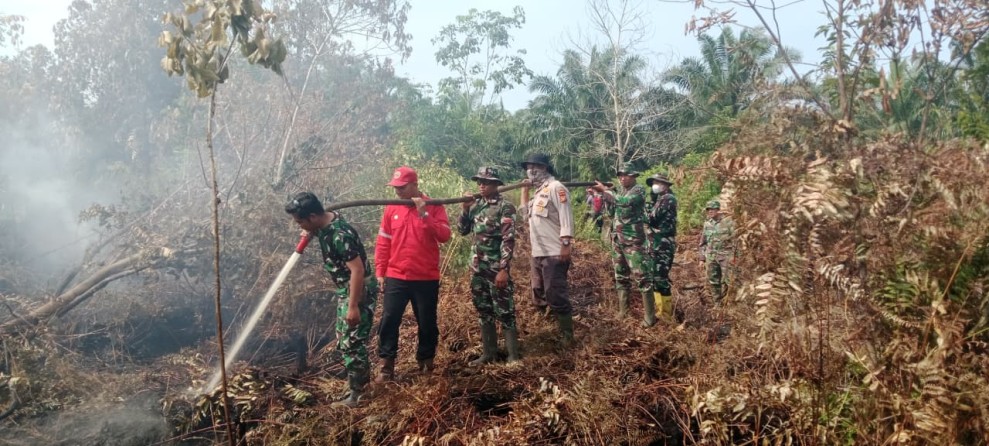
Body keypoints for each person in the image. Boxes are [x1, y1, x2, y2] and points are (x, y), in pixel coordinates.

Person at [285, 192, 376, 408]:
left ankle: (360, 395)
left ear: (314, 216)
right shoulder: (325, 224)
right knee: (344, 340)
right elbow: (323, 226)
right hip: (347, 290)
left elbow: (357, 270)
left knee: (352, 343)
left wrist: (353, 306)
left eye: (301, 222)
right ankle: (357, 385)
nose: (299, 226)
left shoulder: (339, 235)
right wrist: (311, 232)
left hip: (357, 289)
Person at [374, 166, 451, 381]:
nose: (397, 190)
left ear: (415, 185)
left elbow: (445, 235)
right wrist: (380, 271)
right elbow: (383, 241)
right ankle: (386, 366)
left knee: (427, 321)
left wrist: (424, 214)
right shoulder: (391, 207)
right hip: (396, 275)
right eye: (395, 187)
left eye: (402, 187)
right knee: (389, 319)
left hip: (425, 276)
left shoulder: (434, 206)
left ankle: (426, 363)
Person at [457, 166, 520, 365]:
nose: (481, 185)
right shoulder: (476, 206)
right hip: (478, 269)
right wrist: (465, 209)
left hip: (496, 269)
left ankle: (513, 356)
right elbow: (462, 230)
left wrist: (503, 269)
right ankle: (489, 353)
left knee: (505, 311)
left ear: (496, 184)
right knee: (484, 311)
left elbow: (508, 239)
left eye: (486, 182)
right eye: (479, 182)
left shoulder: (505, 207)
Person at [519, 153, 575, 347]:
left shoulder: (556, 188)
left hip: (554, 251)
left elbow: (566, 216)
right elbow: (524, 215)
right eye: (529, 166)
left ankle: (567, 335)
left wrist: (566, 245)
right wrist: (524, 192)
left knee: (555, 291)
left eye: (536, 166)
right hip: (538, 251)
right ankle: (546, 327)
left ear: (545, 168)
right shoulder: (537, 193)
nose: (531, 170)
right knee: (538, 290)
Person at [594, 163, 655, 327]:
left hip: (634, 242)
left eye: (625, 175)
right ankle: (623, 312)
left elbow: (625, 202)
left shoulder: (638, 190)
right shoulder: (620, 191)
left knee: (642, 277)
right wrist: (604, 196)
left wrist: (606, 191)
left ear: (633, 176)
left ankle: (650, 318)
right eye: (620, 175)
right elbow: (611, 212)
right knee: (620, 276)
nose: (622, 178)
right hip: (618, 240)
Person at [646, 173, 677, 319]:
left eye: (657, 182)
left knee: (661, 278)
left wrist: (643, 212)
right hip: (656, 242)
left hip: (664, 242)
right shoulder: (659, 198)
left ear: (665, 185)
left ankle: (666, 314)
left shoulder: (668, 198)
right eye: (654, 182)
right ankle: (660, 311)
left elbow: (652, 217)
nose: (654, 185)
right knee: (655, 278)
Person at [699, 200, 734, 304]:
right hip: (711, 257)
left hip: (725, 256)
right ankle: (717, 303)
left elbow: (736, 240)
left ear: (718, 210)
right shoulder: (707, 224)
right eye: (708, 209)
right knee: (713, 281)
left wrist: (735, 256)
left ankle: (729, 303)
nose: (710, 211)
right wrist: (702, 259)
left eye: (713, 209)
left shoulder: (728, 222)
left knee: (728, 280)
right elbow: (703, 243)